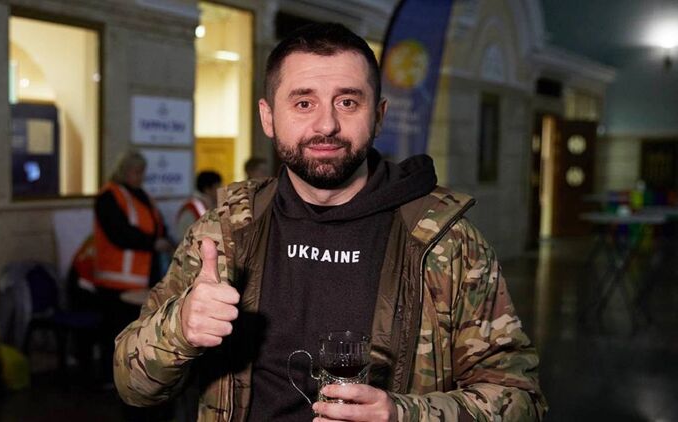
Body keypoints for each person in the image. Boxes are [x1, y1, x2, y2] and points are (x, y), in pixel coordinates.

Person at [114, 23, 546, 421]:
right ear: (268, 117)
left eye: (348, 102)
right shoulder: (224, 233)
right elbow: (131, 385)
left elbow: (521, 400)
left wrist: (403, 415)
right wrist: (179, 328)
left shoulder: (447, 243)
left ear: (378, 115)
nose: (327, 124)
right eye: (303, 102)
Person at [93, 149, 173, 385]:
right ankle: (112, 378)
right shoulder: (109, 196)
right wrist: (152, 242)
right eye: (136, 171)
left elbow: (158, 226)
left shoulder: (142, 196)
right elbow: (118, 232)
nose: (140, 176)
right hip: (115, 279)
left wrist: (165, 240)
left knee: (137, 334)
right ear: (124, 171)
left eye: (142, 172)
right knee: (115, 333)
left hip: (142, 276)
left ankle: (134, 378)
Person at [174, 170, 223, 241]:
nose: (221, 190)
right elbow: (185, 239)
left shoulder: (210, 206)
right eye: (218, 187)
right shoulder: (191, 209)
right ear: (207, 189)